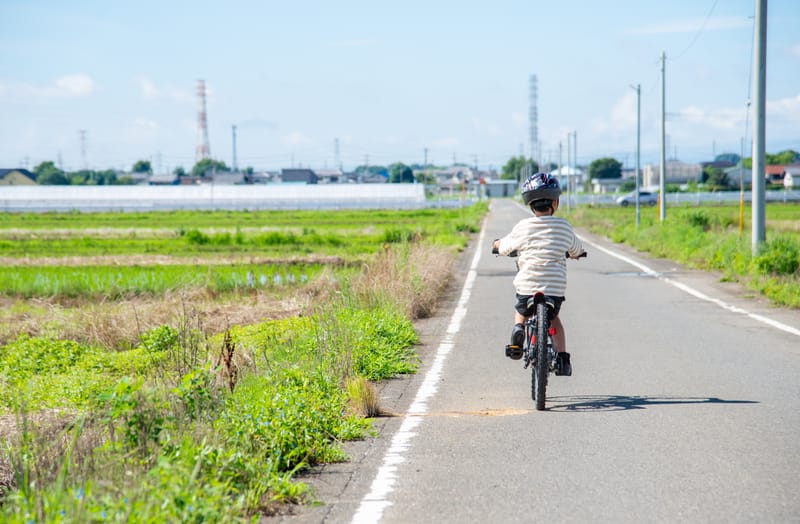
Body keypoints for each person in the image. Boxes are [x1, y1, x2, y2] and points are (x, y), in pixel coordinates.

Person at [491, 172, 584, 376]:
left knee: (522, 309)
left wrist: (497, 245)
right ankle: (562, 359)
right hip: (554, 289)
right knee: (555, 319)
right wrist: (577, 254)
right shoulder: (564, 226)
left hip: (528, 286)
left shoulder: (523, 227)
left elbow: (505, 247)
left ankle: (518, 329)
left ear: (529, 203)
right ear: (555, 202)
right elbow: (576, 249)